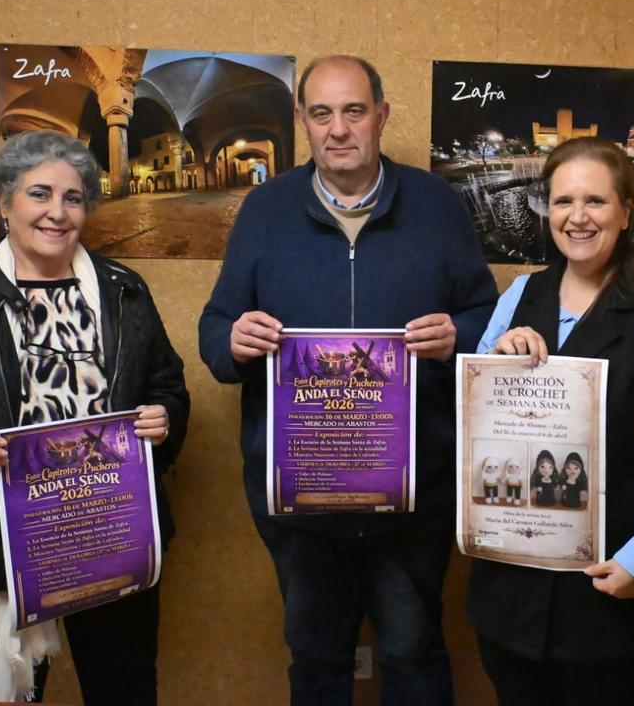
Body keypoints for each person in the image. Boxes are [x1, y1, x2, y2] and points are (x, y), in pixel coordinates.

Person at [197, 54, 497, 706]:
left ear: (382, 116)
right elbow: (215, 329)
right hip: (302, 498)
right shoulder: (266, 209)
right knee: (317, 657)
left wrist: (458, 337)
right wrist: (234, 341)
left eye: (354, 111)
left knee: (413, 651)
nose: (339, 129)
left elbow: (486, 319)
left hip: (413, 493)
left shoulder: (437, 205)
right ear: (302, 121)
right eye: (323, 113)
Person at [0, 130, 189, 705]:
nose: (57, 212)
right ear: (3, 202)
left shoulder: (124, 291)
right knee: (8, 697)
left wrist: (165, 418)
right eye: (39, 194)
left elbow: (165, 384)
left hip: (110, 535)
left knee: (125, 691)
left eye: (74, 197)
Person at [468, 136, 634, 706]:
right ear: (546, 209)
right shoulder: (519, 295)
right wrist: (495, 361)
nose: (578, 218)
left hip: (607, 591)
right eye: (562, 201)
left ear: (627, 212)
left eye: (596, 202)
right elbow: (473, 420)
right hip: (511, 591)